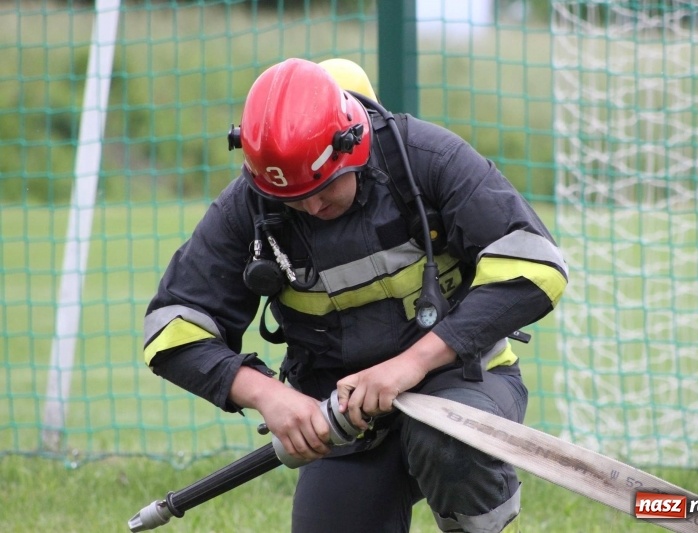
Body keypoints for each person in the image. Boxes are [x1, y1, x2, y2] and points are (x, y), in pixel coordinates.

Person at [143, 57, 568, 533]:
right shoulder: (246, 206)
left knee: (445, 440)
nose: (311, 205)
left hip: (462, 381)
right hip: (341, 418)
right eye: (292, 197)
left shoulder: (427, 158)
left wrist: (412, 364)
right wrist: (270, 396)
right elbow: (170, 330)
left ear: (353, 144)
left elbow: (537, 266)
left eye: (322, 186)